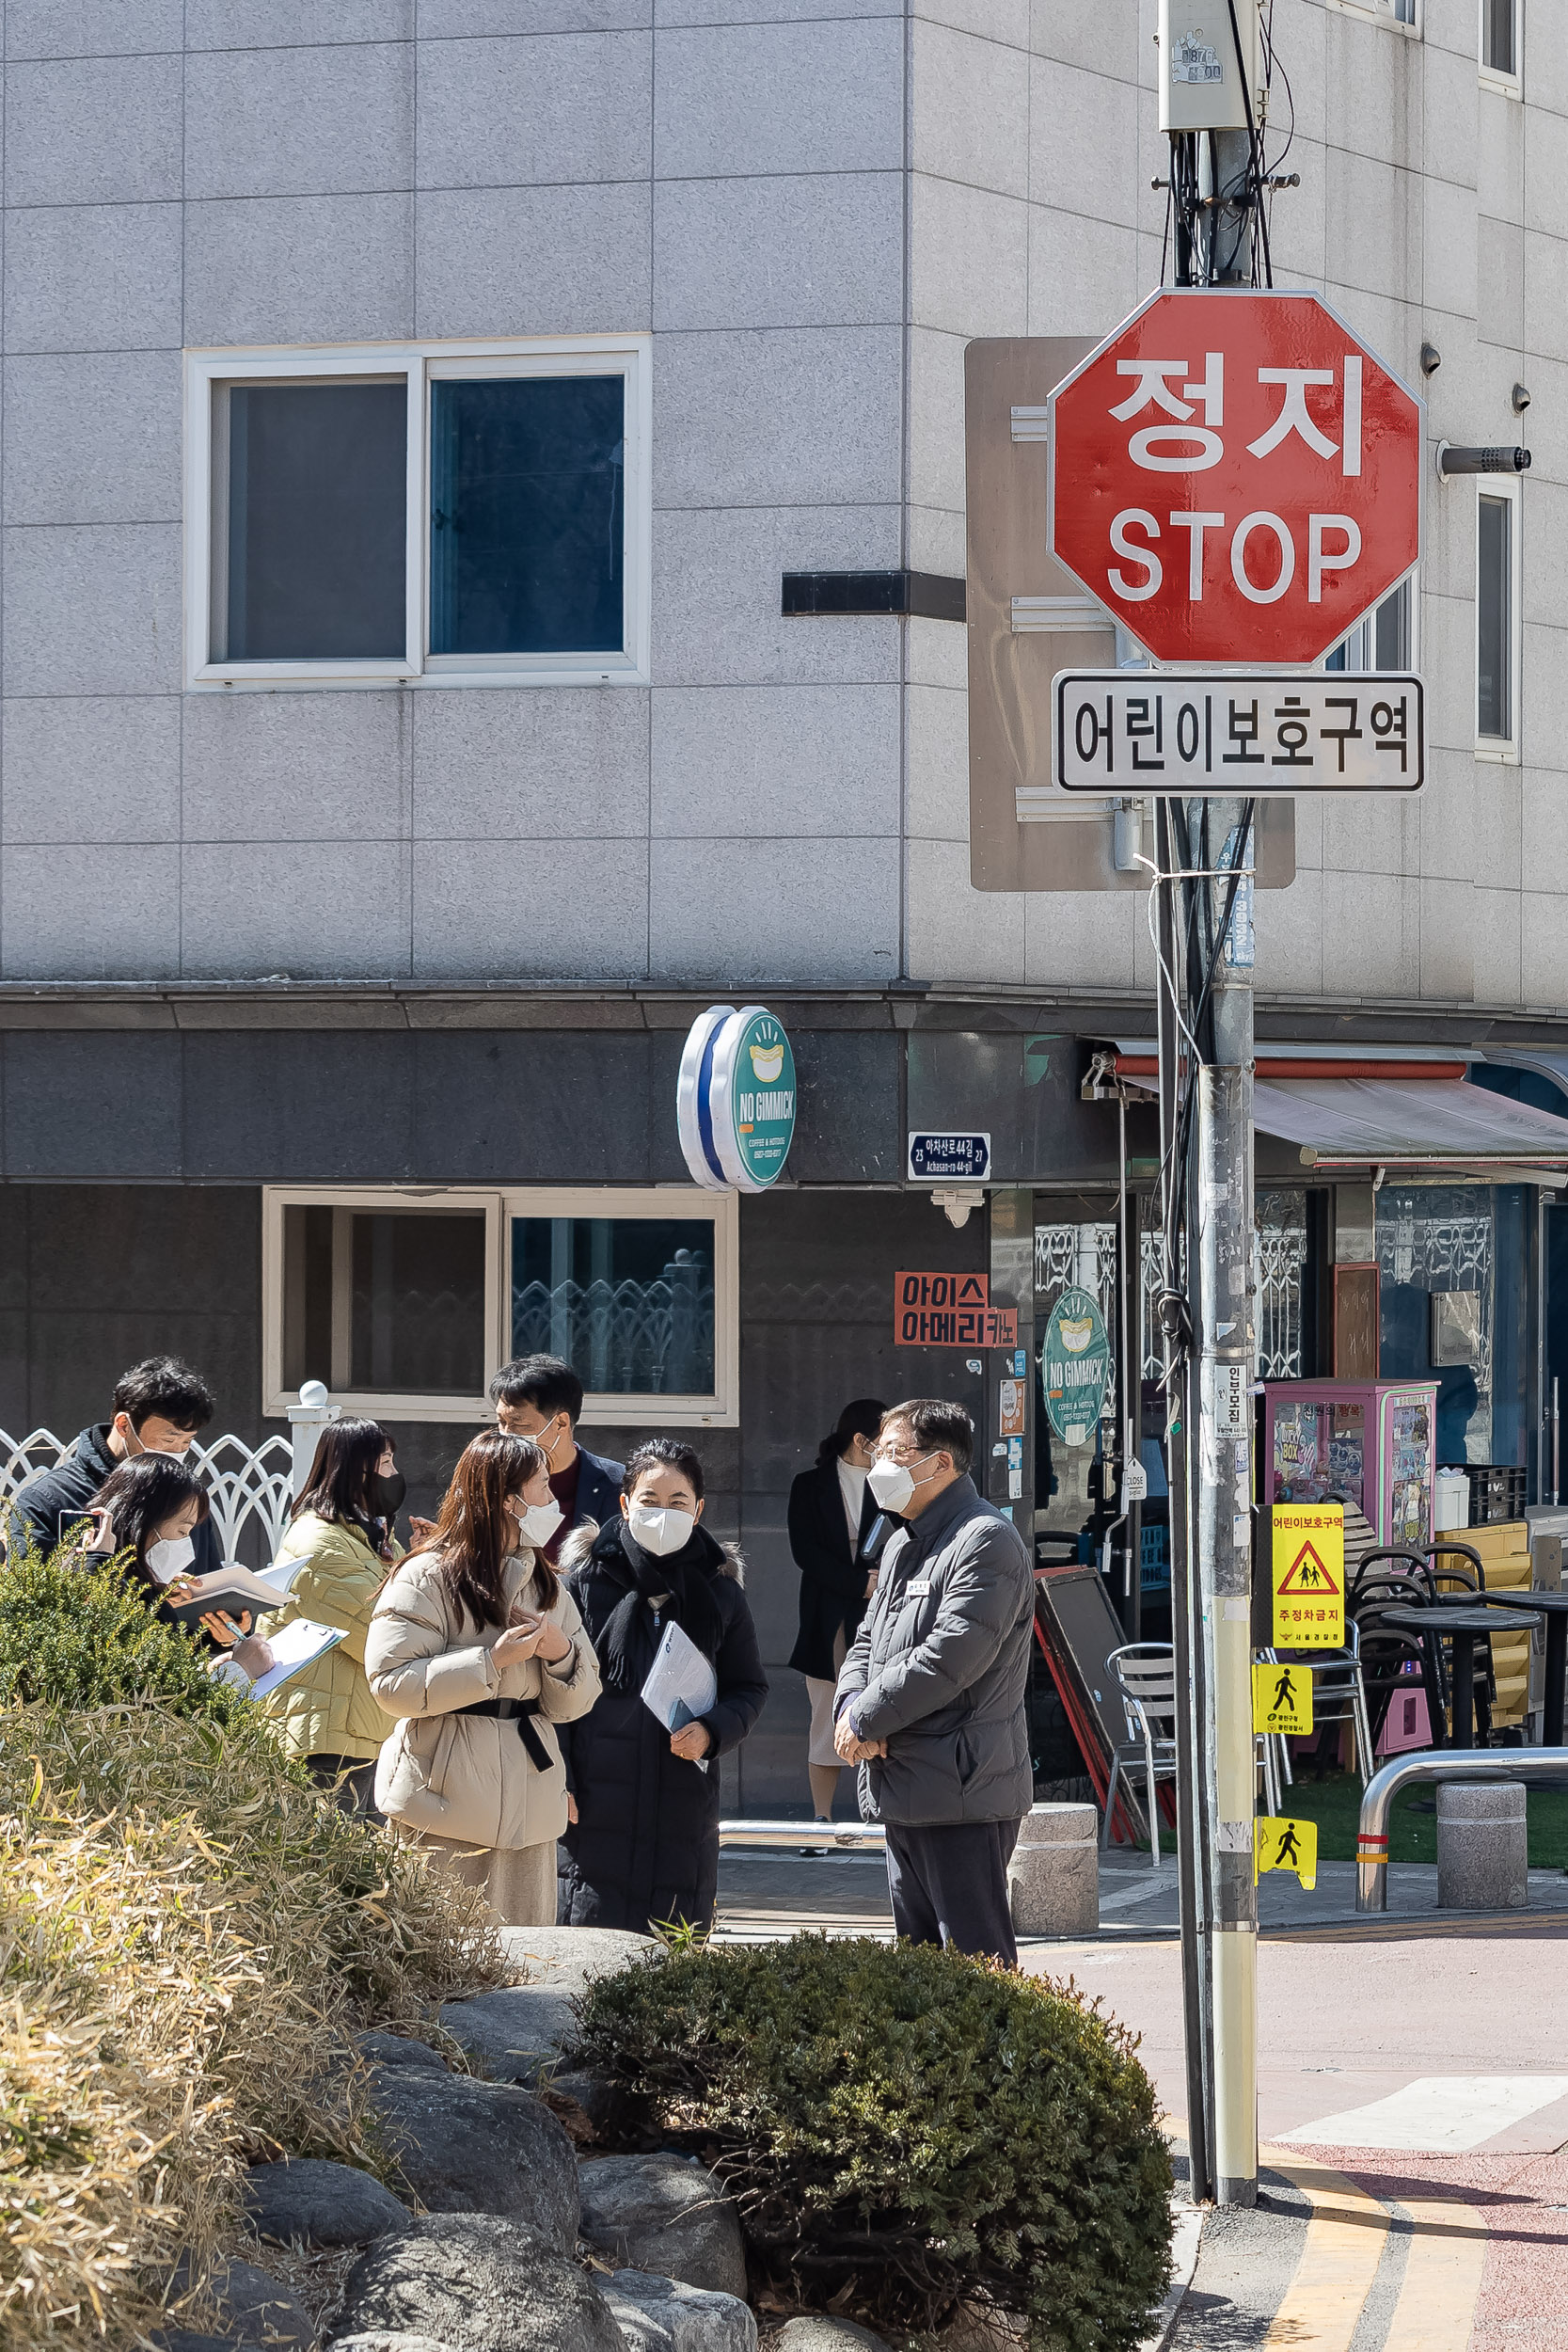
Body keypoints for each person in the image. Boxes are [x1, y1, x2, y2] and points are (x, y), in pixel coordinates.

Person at [364, 1428, 600, 1926]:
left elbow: (576, 1702)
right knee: (435, 1972)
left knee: (530, 1970)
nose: (552, 1499)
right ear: (506, 1499)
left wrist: (561, 1655)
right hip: (440, 1801)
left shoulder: (546, 1582)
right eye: (541, 1486)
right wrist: (489, 1664)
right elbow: (390, 1684)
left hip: (530, 1803)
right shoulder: (426, 1575)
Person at [834, 1398, 1034, 1967]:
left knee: (976, 1967)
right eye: (878, 1453)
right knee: (918, 1972)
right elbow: (867, 1641)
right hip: (903, 1783)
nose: (879, 1467)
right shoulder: (902, 1542)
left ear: (941, 1464)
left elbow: (952, 1656)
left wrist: (866, 1719)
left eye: (894, 1453)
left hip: (962, 1791)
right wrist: (850, 1709)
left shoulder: (984, 1540)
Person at [557, 1439, 768, 1933]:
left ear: (698, 1510)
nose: (663, 1514)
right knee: (587, 1953)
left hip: (682, 1797)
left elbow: (749, 1688)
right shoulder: (582, 1586)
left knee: (672, 1957)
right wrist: (560, 1779)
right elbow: (552, 1692)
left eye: (677, 1503)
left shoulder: (720, 1593)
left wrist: (713, 1731)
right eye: (650, 1501)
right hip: (592, 1802)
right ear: (625, 1504)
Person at [259, 1418, 405, 1814]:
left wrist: (426, 1558)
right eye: (386, 1462)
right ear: (355, 1468)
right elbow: (383, 1634)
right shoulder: (320, 1541)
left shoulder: (371, 1534)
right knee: (336, 1868)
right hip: (328, 1741)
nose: (394, 1474)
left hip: (354, 1728)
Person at [6, 1357, 222, 1579]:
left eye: (187, 1442)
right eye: (168, 1441)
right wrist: (150, 1598)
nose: (177, 1452)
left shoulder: (186, 1496)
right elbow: (32, 1600)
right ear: (124, 1425)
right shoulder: (47, 1500)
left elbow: (209, 1579)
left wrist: (223, 1611)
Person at [76, 1453, 272, 1675]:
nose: (186, 1544)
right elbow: (147, 1686)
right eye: (181, 1531)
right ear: (143, 1521)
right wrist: (240, 1668)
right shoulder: (94, 1579)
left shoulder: (139, 1585)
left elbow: (163, 1657)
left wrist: (212, 1638)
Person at [786, 1397, 886, 1822]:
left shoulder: (893, 1482)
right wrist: (859, 1583)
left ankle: (880, 1814)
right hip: (828, 1615)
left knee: (882, 1711)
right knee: (826, 1715)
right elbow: (805, 1553)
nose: (890, 1452)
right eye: (882, 1443)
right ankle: (821, 1819)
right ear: (861, 1440)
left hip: (882, 1612)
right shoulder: (810, 1485)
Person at [489, 1355, 624, 1569]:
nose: (507, 1435)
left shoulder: (618, 1485)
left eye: (519, 1424)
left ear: (561, 1422)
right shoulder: (488, 1476)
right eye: (501, 1422)